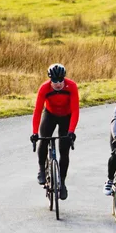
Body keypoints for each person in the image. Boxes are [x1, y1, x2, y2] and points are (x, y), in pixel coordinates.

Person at [29, 64, 80, 198]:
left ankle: (62, 182)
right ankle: (41, 169)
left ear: (64, 78)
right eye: (55, 81)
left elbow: (75, 110)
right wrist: (35, 132)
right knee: (44, 140)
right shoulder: (44, 88)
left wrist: (71, 131)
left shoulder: (71, 86)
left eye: (60, 81)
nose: (58, 84)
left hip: (66, 116)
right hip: (50, 115)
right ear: (50, 80)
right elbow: (38, 111)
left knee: (64, 150)